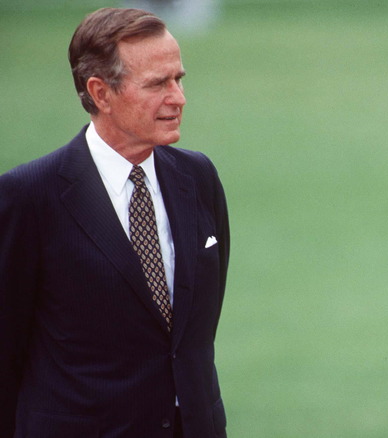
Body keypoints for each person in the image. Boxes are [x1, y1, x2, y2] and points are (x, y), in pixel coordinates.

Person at [0, 8, 229, 438]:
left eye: (179, 79)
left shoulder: (198, 178)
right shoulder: (29, 196)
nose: (178, 97)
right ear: (101, 93)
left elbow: (193, 336)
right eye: (158, 84)